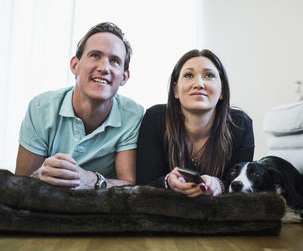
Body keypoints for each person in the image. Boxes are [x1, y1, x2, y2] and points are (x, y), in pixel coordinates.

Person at [15, 22, 144, 190]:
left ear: (124, 77)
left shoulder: (133, 115)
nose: (104, 68)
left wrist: (90, 179)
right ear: (75, 65)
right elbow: (20, 183)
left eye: (114, 61)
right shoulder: (40, 108)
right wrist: (39, 176)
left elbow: (129, 185)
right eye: (95, 55)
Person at [136, 49, 254, 197]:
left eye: (209, 75)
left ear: (222, 90)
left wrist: (220, 185)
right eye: (189, 75)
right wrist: (167, 182)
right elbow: (143, 185)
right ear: (175, 90)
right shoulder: (155, 119)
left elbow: (242, 186)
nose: (199, 84)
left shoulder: (240, 124)